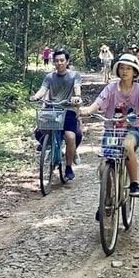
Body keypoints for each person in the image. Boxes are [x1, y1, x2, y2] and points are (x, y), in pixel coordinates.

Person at [80, 53, 139, 199]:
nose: (124, 71)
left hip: (132, 129)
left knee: (127, 146)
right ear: (117, 70)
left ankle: (134, 183)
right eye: (122, 68)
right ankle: (106, 199)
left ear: (135, 72)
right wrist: (88, 110)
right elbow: (99, 102)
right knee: (104, 163)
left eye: (128, 69)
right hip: (111, 129)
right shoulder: (111, 88)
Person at [30, 48, 82, 180]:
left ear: (67, 61)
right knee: (39, 130)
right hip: (51, 109)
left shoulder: (74, 75)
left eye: (62, 60)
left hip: (67, 109)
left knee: (70, 136)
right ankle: (49, 147)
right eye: (57, 61)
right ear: (53, 62)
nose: (59, 63)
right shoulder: (49, 77)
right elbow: (43, 90)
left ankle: (69, 167)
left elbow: (77, 88)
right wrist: (36, 96)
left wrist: (77, 97)